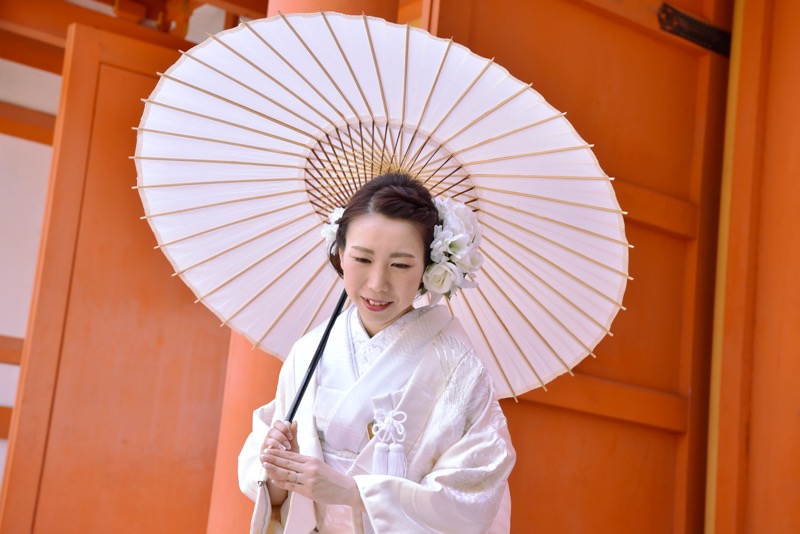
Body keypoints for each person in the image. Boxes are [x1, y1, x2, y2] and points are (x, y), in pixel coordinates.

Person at [239, 172, 515, 533]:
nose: (377, 284)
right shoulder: (309, 353)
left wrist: (355, 493)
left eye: (400, 264)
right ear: (339, 253)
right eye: (362, 259)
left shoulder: (458, 369)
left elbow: (472, 496)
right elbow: (278, 501)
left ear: (429, 269)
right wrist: (279, 474)